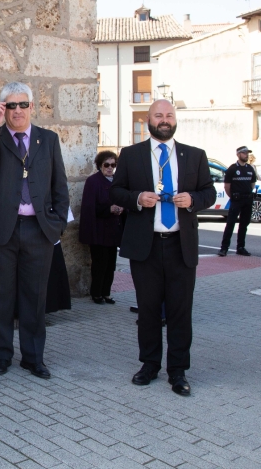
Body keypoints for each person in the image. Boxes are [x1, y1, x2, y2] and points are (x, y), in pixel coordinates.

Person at [110, 100, 215, 397]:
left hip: (182, 246)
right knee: (149, 309)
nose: (165, 120)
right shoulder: (131, 155)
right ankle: (149, 365)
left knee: (181, 310)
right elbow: (115, 190)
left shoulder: (195, 156)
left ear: (175, 119)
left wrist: (193, 199)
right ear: (148, 120)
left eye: (169, 115)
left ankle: (178, 370)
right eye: (159, 115)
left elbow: (208, 192)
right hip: (147, 246)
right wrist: (137, 198)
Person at [0, 82, 69, 379]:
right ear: (4, 108)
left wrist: (56, 225)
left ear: (31, 107)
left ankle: (33, 357)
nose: (17, 111)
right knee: (1, 296)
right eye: (10, 105)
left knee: (34, 297)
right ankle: (2, 355)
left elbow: (60, 186)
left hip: (38, 230)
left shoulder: (48, 139)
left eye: (22, 104)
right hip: (3, 230)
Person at [79, 151, 124, 304]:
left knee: (111, 264)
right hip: (98, 230)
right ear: (100, 165)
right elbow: (89, 207)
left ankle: (107, 293)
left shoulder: (117, 181)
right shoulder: (93, 181)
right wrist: (109, 209)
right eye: (107, 165)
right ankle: (96, 293)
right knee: (99, 264)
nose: (110, 168)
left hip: (113, 230)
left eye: (113, 165)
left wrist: (121, 208)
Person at [218, 146, 257, 257]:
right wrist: (233, 197)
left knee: (244, 224)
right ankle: (224, 248)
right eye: (244, 153)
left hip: (247, 200)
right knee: (230, 224)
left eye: (247, 153)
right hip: (236, 200)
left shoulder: (250, 168)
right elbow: (227, 186)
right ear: (238, 154)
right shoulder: (232, 169)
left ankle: (240, 247)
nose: (246, 155)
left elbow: (252, 184)